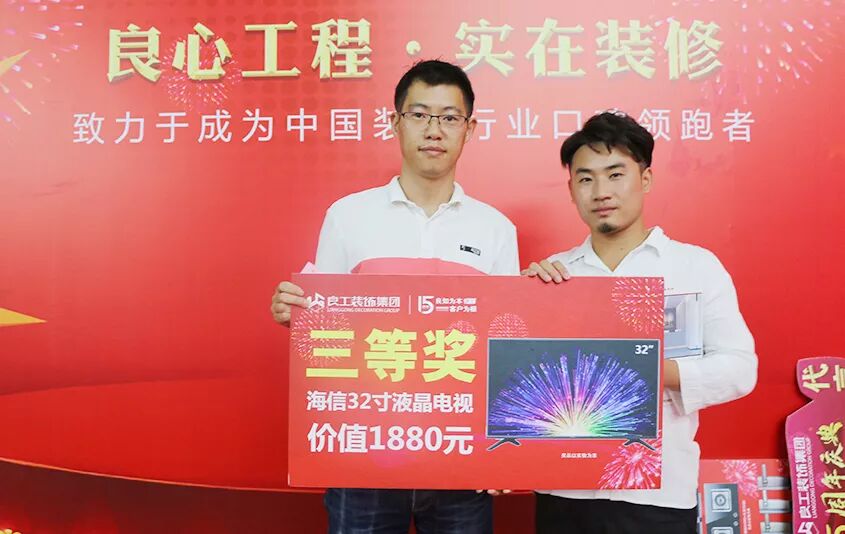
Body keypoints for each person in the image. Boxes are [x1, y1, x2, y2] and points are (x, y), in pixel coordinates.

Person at [271, 59, 518, 534]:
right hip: (363, 449)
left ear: (469, 129)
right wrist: (296, 314)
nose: (433, 130)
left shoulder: (495, 229)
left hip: (459, 448)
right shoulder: (348, 216)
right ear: (395, 122)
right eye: (419, 114)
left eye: (450, 117)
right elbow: (325, 330)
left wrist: (502, 447)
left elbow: (503, 345)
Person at [524, 111, 757, 534]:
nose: (601, 192)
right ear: (572, 189)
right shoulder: (553, 275)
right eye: (586, 179)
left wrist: (650, 370)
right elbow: (519, 381)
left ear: (645, 179)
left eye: (616, 175)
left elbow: (741, 370)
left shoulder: (694, 267)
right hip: (563, 493)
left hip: (659, 498)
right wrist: (518, 305)